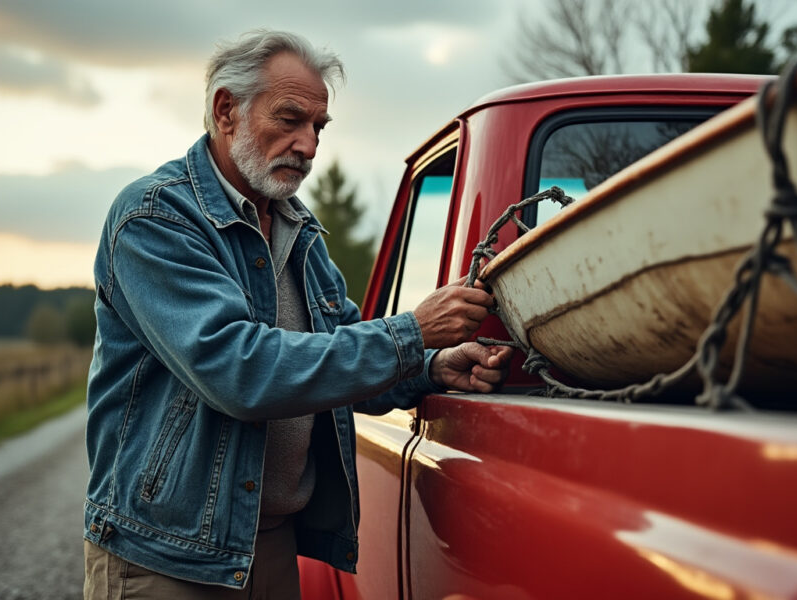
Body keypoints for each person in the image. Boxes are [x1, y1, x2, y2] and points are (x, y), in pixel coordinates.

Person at [82, 29, 512, 599]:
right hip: (168, 558)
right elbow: (240, 372)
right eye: (289, 120)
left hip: (272, 544)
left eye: (318, 127)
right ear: (226, 109)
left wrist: (432, 367)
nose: (308, 145)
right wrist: (411, 332)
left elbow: (339, 354)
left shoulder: (296, 228)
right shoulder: (154, 218)